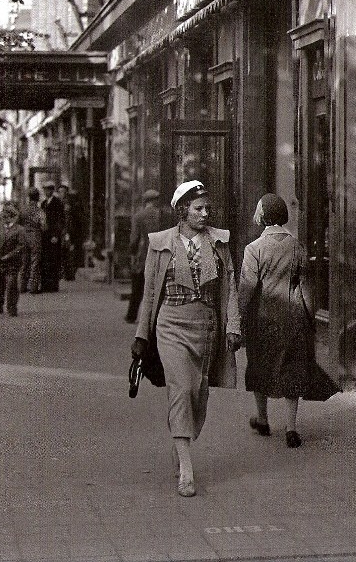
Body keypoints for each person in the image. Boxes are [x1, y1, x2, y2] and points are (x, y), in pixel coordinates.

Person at [130, 180, 242, 498]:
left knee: (197, 393)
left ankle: (180, 447)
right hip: (170, 326)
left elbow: (230, 287)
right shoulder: (160, 243)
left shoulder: (219, 242)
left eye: (208, 209)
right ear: (182, 210)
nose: (205, 214)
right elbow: (150, 293)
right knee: (180, 389)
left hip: (205, 327)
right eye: (198, 209)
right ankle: (187, 471)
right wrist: (141, 335)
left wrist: (233, 326)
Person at [238, 194, 338, 449]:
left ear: (263, 216)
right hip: (293, 318)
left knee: (259, 365)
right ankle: (291, 427)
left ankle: (263, 418)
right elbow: (305, 286)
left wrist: (238, 317)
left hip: (263, 319)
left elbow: (247, 289)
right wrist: (310, 317)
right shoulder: (297, 247)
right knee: (292, 369)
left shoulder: (253, 249)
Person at [124, 189, 165, 323]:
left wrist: (132, 254)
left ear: (145, 201)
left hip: (144, 255)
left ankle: (131, 315)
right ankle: (157, 317)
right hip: (161, 253)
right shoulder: (162, 215)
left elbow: (134, 238)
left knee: (137, 287)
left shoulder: (139, 216)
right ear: (155, 200)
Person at [0, 201, 27, 316]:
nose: (5, 217)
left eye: (8, 215)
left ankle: (12, 307)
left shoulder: (19, 229)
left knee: (11, 284)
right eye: (3, 215)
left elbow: (22, 245)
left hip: (12, 261)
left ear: (13, 216)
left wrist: (10, 255)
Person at [41, 184, 66, 293]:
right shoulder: (43, 203)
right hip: (45, 235)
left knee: (54, 260)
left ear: (52, 190)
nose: (46, 192)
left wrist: (56, 234)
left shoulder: (57, 203)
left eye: (48, 190)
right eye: (45, 190)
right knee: (46, 260)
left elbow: (60, 220)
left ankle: (54, 285)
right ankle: (46, 284)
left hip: (53, 236)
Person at [19, 187, 42, 293]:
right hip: (35, 236)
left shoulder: (23, 209)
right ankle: (33, 286)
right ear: (37, 198)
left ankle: (22, 286)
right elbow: (44, 225)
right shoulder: (39, 211)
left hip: (24, 237)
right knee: (34, 261)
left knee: (24, 261)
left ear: (29, 197)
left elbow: (18, 222)